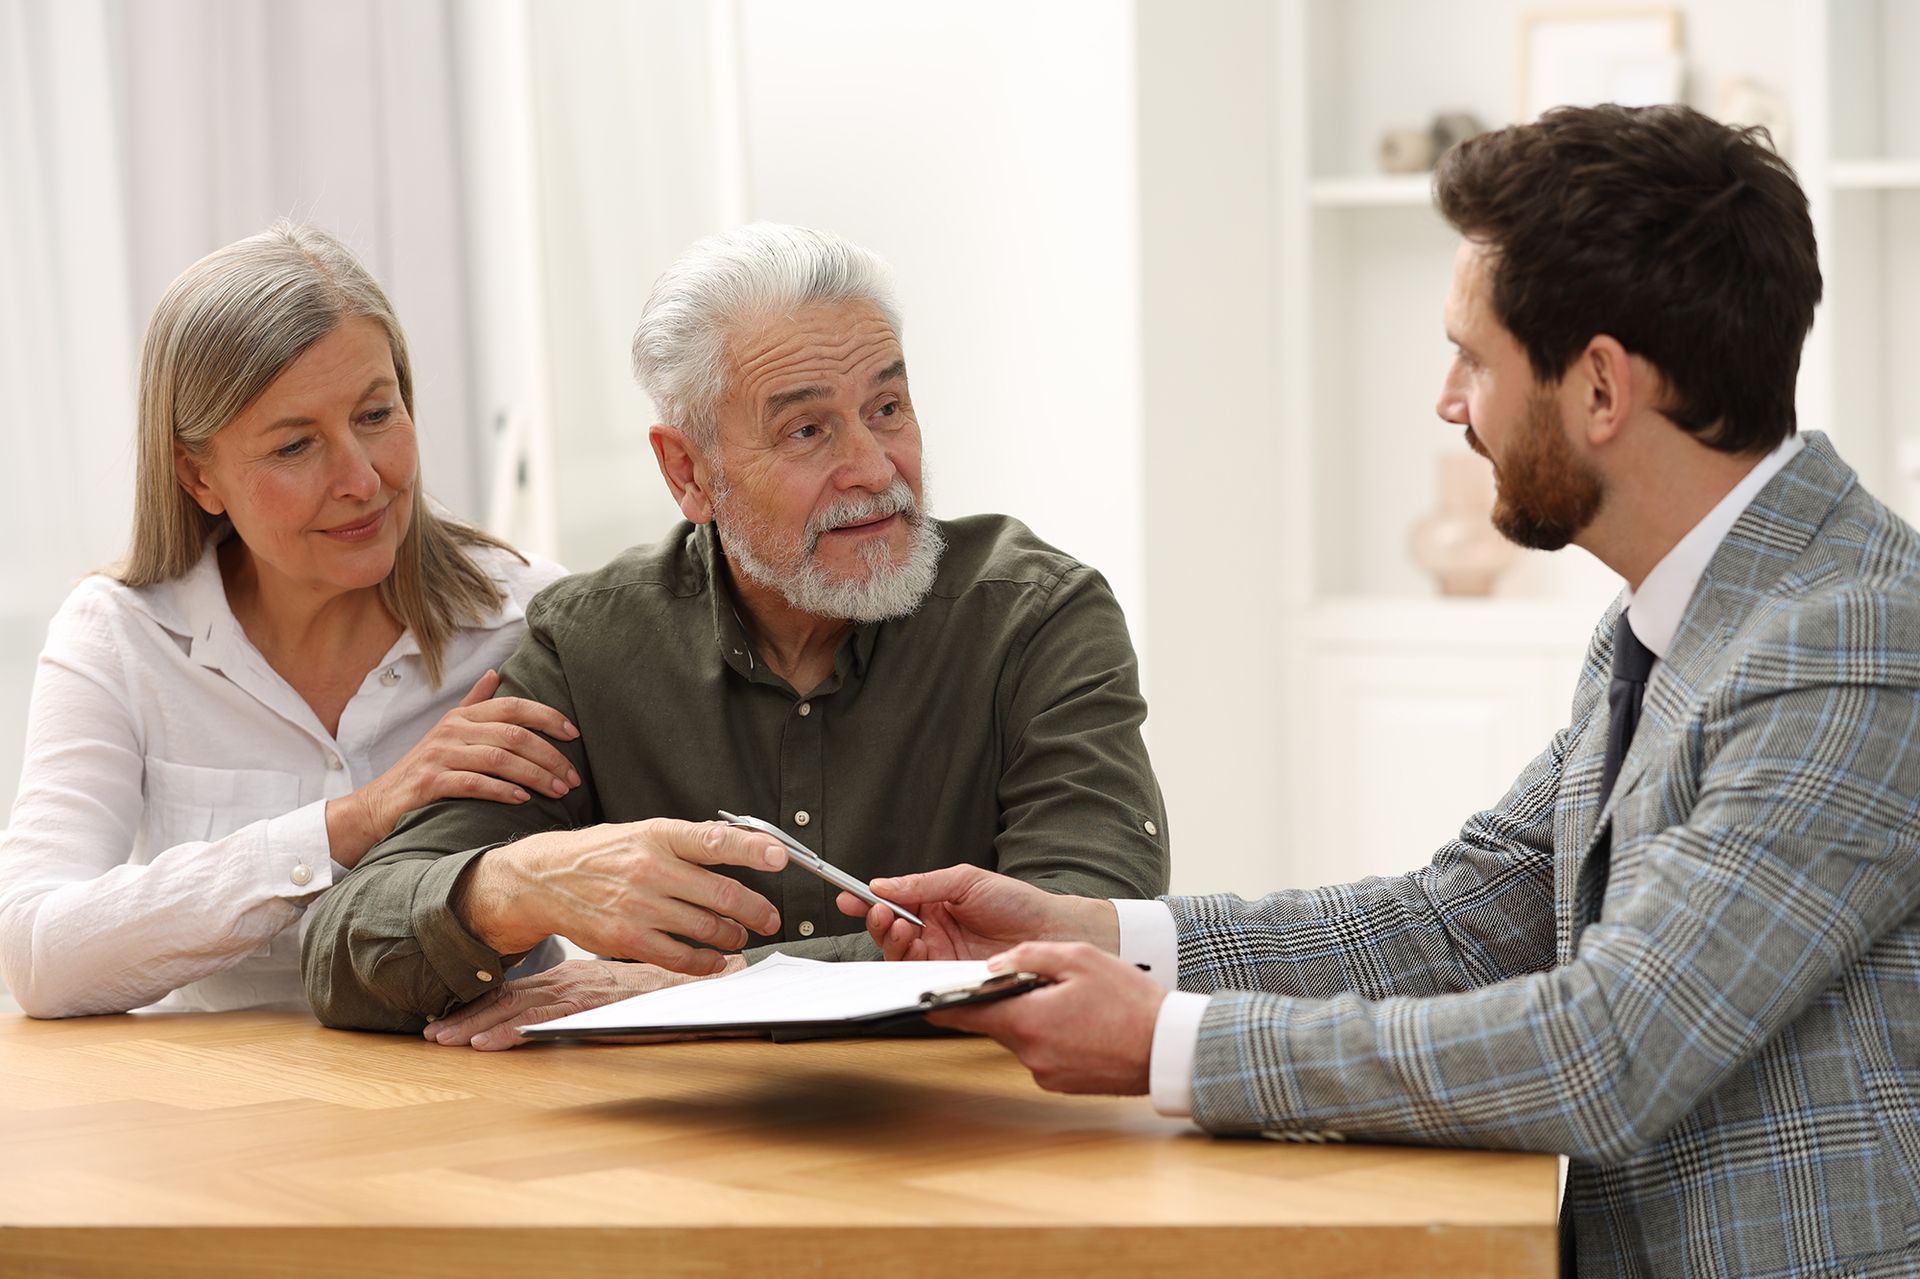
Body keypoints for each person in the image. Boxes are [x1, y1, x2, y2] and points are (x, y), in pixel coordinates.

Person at [838, 105, 1920, 1277]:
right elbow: (1454, 923)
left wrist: (1167, 1040)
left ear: (1601, 387)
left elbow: (1606, 1051)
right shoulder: (1665, 621)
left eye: (1474, 356)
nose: (1450, 401)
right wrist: (1104, 934)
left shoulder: (1851, 641)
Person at [303, 223, 1169, 1045]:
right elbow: (347, 954)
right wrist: (520, 884)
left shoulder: (1038, 618)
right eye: (807, 429)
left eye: (889, 406)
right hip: (686, 1165)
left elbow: (1091, 937)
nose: (873, 468)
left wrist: (718, 989)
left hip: (980, 1149)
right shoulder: (591, 645)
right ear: (689, 471)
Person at [0, 224, 779, 1018]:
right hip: (218, 1119)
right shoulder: (120, 638)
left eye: (377, 415)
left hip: (477, 1100)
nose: (362, 478)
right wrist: (352, 821)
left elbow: (714, 885)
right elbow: (34, 951)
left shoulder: (533, 621)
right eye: (297, 445)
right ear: (198, 474)